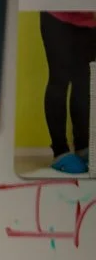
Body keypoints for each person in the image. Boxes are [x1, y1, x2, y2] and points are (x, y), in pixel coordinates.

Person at [40, 10, 96, 174]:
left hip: (87, 19)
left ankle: (83, 147)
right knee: (59, 78)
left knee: (84, 82)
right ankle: (60, 151)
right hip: (56, 14)